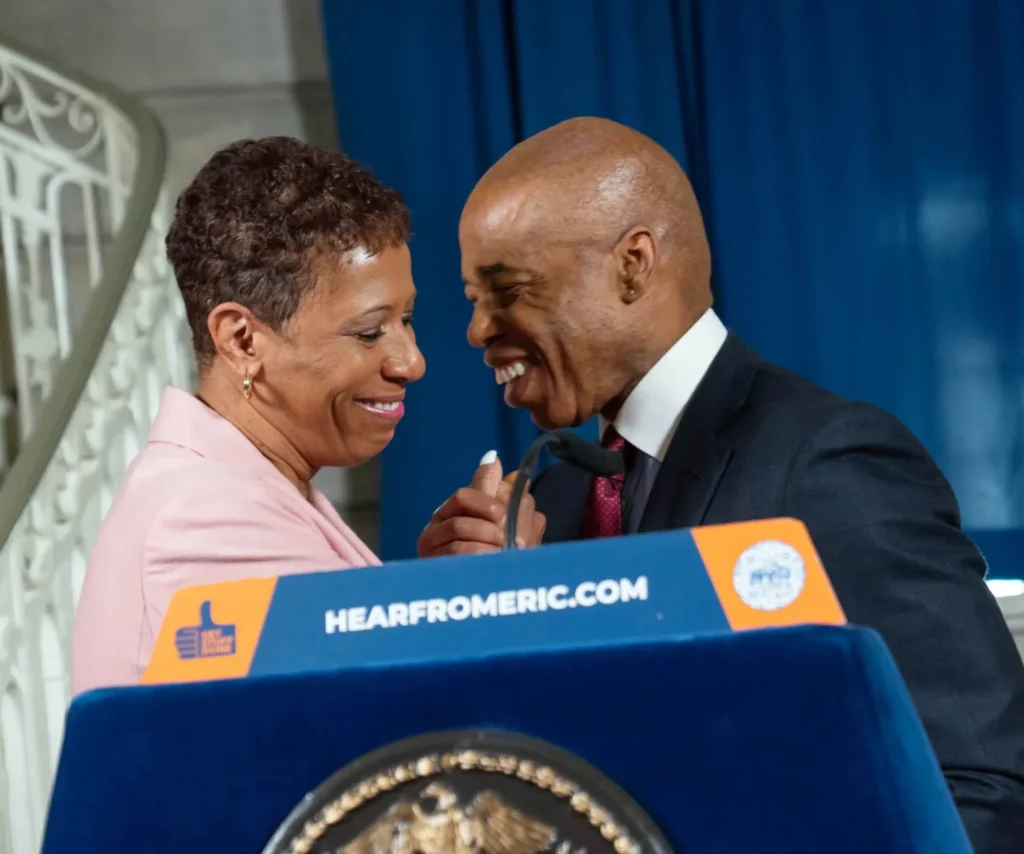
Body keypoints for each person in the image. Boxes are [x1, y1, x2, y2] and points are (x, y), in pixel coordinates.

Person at [421, 117, 1024, 852]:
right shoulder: (553, 504)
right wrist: (484, 613)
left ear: (633, 265)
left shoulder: (828, 461)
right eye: (471, 300)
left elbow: (981, 783)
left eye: (506, 290)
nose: (477, 330)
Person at [71, 137, 428, 694]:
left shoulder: (241, 486)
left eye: (407, 320)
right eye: (369, 331)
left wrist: (450, 594)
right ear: (242, 340)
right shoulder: (208, 520)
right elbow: (389, 724)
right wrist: (504, 590)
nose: (411, 362)